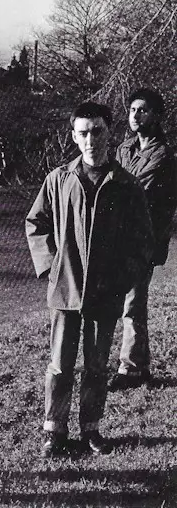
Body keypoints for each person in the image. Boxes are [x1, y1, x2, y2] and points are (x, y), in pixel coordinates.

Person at [26, 101, 153, 458]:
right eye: (83, 133)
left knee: (96, 366)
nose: (90, 140)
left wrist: (122, 278)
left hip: (105, 292)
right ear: (73, 136)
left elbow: (143, 241)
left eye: (97, 131)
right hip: (65, 289)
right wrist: (51, 267)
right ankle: (54, 430)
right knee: (60, 364)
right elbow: (36, 224)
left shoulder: (126, 185)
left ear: (109, 132)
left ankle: (91, 429)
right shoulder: (58, 179)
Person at [110, 89, 177, 390]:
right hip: (118, 237)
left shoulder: (163, 155)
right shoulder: (124, 148)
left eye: (143, 110)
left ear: (157, 115)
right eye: (133, 110)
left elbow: (135, 190)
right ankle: (140, 364)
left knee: (132, 304)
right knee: (123, 302)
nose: (136, 116)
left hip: (143, 240)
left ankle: (131, 370)